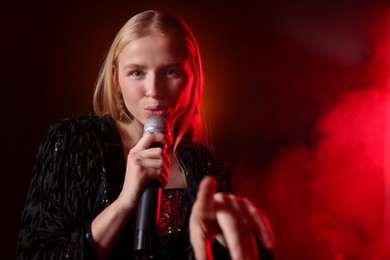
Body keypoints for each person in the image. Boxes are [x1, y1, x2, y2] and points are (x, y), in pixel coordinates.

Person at [17, 9, 274, 259]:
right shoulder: (72, 142)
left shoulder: (204, 168)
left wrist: (220, 243)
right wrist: (125, 202)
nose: (154, 90)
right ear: (116, 78)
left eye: (171, 71)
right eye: (137, 73)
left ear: (193, 77)